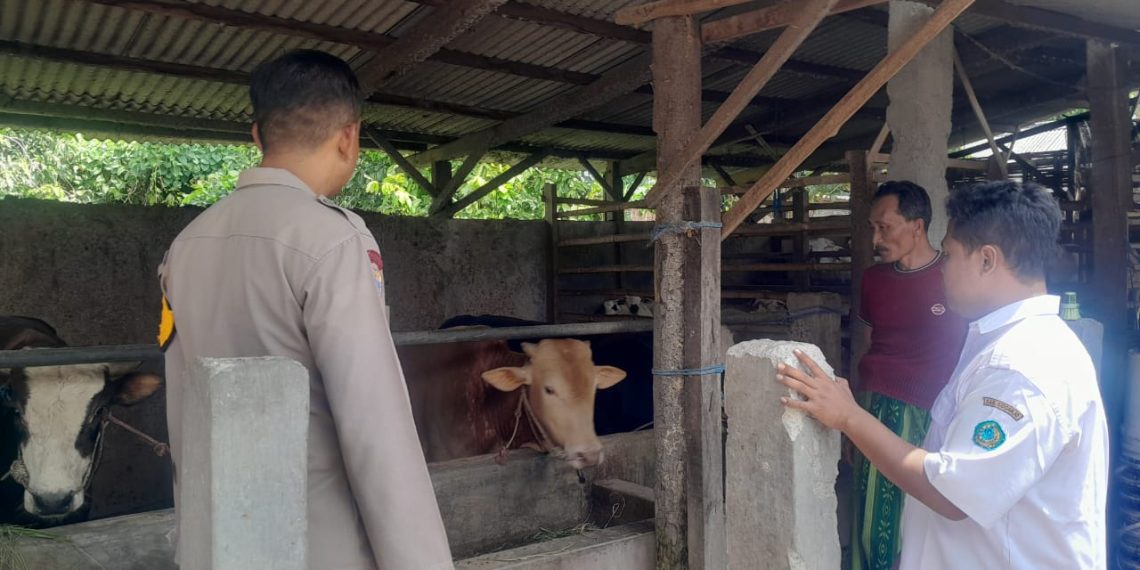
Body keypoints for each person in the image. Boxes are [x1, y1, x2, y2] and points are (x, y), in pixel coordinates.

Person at [157, 50, 453, 570]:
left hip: (214, 539)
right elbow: (374, 427)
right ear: (348, 137)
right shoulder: (333, 240)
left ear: (256, 135)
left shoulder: (185, 245)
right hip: (317, 545)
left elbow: (183, 406)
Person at [779, 180, 1108, 569]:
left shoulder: (1020, 369)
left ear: (987, 260)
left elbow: (953, 494)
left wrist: (849, 416)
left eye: (949, 256)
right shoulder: (1005, 344)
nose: (942, 269)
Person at [849, 180, 967, 570]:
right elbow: (866, 345)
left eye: (885, 226)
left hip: (933, 412)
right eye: (872, 228)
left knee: (918, 518)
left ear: (917, 226)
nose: (876, 237)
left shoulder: (951, 280)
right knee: (871, 518)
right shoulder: (874, 279)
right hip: (875, 405)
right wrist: (852, 413)